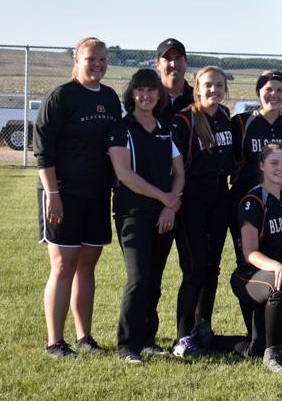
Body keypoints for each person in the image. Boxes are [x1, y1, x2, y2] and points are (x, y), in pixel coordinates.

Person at [34, 37, 122, 358]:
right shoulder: (61, 97)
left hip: (96, 195)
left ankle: (84, 337)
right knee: (63, 265)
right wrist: (52, 193)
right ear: (76, 59)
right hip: (63, 194)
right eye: (91, 59)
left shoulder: (111, 98)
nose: (97, 64)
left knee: (87, 265)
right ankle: (54, 341)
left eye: (102, 59)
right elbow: (43, 149)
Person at [108, 69, 185, 364]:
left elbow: (179, 173)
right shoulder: (121, 128)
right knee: (138, 278)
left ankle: (147, 338)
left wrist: (169, 205)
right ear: (132, 94)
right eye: (140, 90)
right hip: (133, 213)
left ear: (159, 94)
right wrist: (164, 197)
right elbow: (124, 174)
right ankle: (127, 344)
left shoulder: (167, 128)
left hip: (164, 213)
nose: (146, 95)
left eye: (151, 90)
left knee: (154, 279)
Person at [171, 65, 234, 357]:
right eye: (208, 85)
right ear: (197, 87)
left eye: (219, 85)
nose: (214, 90)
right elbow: (176, 166)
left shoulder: (224, 116)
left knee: (212, 267)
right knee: (194, 269)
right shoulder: (184, 119)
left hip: (220, 196)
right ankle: (183, 336)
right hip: (193, 199)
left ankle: (202, 325)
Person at [229, 70, 282, 332]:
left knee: (277, 259)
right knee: (249, 261)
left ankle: (272, 328)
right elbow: (230, 159)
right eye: (269, 89)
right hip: (247, 203)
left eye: (280, 90)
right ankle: (254, 331)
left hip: (278, 201)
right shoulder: (242, 122)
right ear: (258, 92)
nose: (275, 95)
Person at [231, 144, 282, 372]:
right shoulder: (254, 200)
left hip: (275, 274)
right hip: (250, 276)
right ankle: (274, 354)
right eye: (274, 163)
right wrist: (277, 265)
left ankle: (209, 340)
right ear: (261, 165)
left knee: (254, 347)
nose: (281, 168)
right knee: (281, 284)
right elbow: (249, 253)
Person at [155, 38, 194, 120]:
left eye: (178, 58)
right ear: (158, 64)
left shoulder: (197, 98)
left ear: (185, 62)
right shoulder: (149, 98)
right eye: (168, 59)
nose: (173, 64)